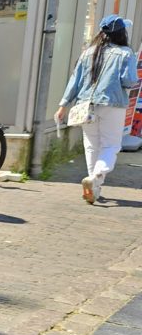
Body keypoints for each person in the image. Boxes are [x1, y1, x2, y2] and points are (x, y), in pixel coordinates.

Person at [55, 15, 139, 204]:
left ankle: (94, 189)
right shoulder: (126, 53)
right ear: (121, 34)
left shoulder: (88, 53)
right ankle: (95, 177)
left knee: (92, 146)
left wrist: (63, 106)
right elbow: (128, 81)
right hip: (112, 104)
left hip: (85, 105)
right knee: (111, 146)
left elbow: (74, 81)